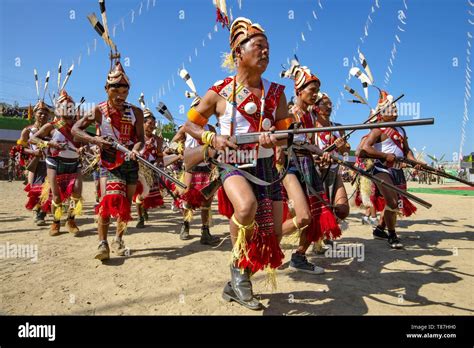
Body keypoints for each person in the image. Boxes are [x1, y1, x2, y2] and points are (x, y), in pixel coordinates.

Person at [183, 17, 289, 310]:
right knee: (245, 208)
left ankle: (235, 279)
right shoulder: (219, 91)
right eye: (259, 46)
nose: (266, 52)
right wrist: (211, 138)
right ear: (238, 53)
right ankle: (240, 277)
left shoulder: (278, 93)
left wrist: (276, 139)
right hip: (233, 163)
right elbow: (189, 126)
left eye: (268, 47)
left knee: (273, 235)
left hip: (266, 168)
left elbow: (287, 136)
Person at [72, 60, 144, 261]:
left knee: (126, 204)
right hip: (109, 162)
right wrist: (96, 139)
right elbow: (75, 130)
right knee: (108, 200)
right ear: (106, 89)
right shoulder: (98, 110)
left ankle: (119, 239)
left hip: (130, 162)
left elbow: (141, 140)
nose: (121, 95)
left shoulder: (135, 112)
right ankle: (102, 243)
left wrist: (136, 150)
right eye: (116, 91)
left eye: (125, 91)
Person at [280, 62, 341, 275]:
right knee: (304, 216)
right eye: (311, 90)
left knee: (315, 215)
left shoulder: (309, 116)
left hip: (307, 165)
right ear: (298, 90)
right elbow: (288, 143)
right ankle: (266, 241)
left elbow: (308, 142)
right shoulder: (290, 113)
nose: (315, 95)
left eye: (316, 91)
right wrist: (315, 150)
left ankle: (299, 256)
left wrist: (320, 154)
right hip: (291, 167)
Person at [359, 90, 420, 249]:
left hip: (398, 170)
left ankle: (380, 229)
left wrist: (414, 162)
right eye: (391, 109)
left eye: (395, 109)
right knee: (392, 203)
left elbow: (407, 150)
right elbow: (365, 148)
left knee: (394, 204)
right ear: (381, 112)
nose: (395, 111)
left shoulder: (402, 129)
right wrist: (384, 155)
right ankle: (392, 235)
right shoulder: (378, 129)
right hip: (381, 169)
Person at [30, 90, 83, 236]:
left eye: (70, 107)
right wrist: (50, 144)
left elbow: (84, 142)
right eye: (64, 107)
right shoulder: (51, 126)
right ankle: (56, 222)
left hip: (74, 163)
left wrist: (84, 147)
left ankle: (71, 220)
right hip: (54, 162)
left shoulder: (78, 127)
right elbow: (33, 139)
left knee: (77, 193)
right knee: (57, 196)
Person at [17, 99, 50, 225]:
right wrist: (33, 153)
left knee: (48, 190)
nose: (43, 116)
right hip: (35, 164)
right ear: (34, 113)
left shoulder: (51, 129)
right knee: (36, 190)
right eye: (40, 113)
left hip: (50, 163)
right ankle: (37, 212)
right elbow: (21, 149)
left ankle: (42, 213)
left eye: (45, 114)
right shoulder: (27, 130)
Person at [133, 100, 165, 228]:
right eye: (149, 123)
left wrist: (157, 164)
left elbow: (159, 156)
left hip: (151, 169)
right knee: (141, 193)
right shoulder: (136, 138)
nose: (152, 126)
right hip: (138, 168)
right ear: (143, 124)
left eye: (154, 124)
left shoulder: (158, 140)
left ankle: (144, 210)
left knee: (147, 194)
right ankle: (140, 218)